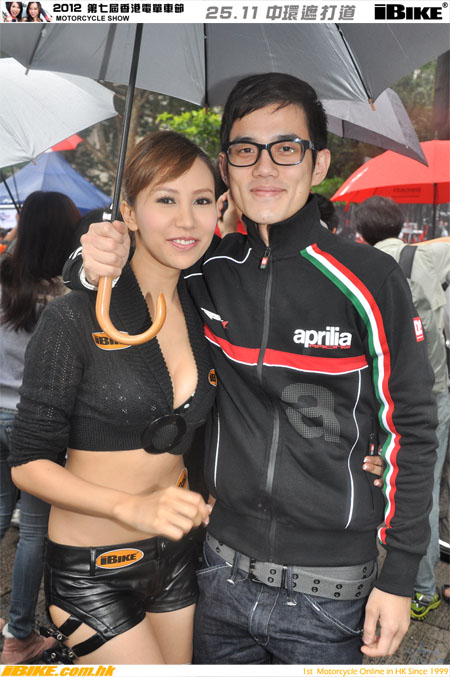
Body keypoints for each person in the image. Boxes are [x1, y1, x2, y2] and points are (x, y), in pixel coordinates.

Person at [64, 73, 437, 664]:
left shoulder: (372, 279)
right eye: (245, 150)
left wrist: (400, 577)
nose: (265, 167)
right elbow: (120, 279)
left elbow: (412, 428)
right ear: (225, 166)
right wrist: (89, 264)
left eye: (286, 148)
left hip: (332, 594)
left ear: (318, 164)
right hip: (217, 574)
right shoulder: (208, 268)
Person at [8, 132, 216, 665]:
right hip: (91, 566)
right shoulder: (73, 317)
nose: (187, 220)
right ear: (128, 211)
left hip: (178, 553)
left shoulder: (206, 307)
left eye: (201, 200)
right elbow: (28, 465)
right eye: (165, 199)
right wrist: (132, 507)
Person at [354, 195, 450, 621]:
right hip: (436, 390)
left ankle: (415, 586)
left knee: (397, 483)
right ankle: (425, 586)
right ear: (401, 224)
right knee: (426, 485)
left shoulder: (361, 265)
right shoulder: (425, 255)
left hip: (387, 394)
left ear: (361, 233)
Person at [0, 191, 81, 664]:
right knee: (33, 532)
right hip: (37, 424)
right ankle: (19, 637)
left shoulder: (3, 279)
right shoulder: (71, 292)